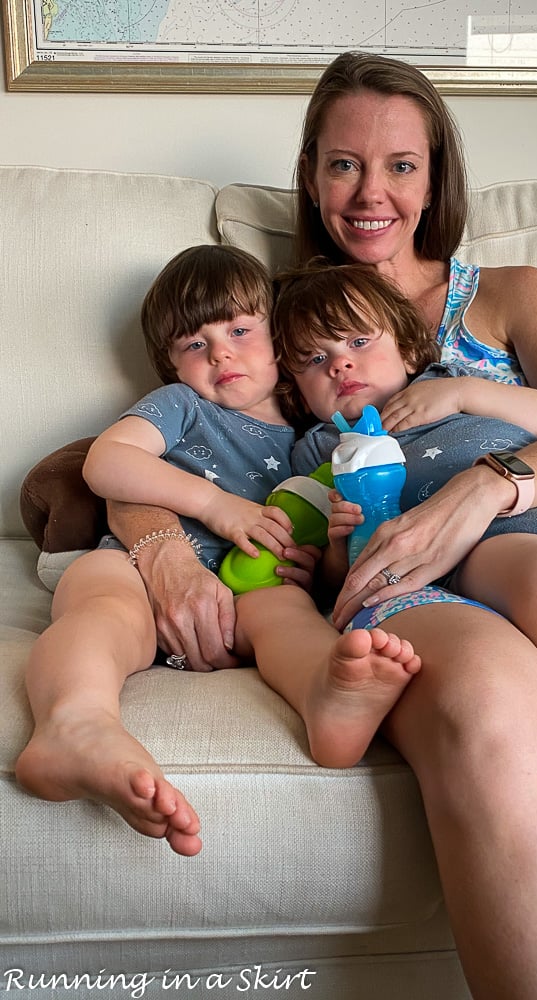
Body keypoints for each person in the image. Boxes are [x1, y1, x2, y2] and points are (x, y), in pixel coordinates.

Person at [103, 52, 537, 999]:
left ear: (436, 175)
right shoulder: (276, 318)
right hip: (410, 584)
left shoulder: (511, 290)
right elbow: (162, 447)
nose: (371, 193)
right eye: (342, 164)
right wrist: (160, 547)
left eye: (401, 164)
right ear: (311, 175)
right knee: (500, 714)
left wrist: (478, 490)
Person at [15, 244, 422, 858]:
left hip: (246, 596)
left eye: (238, 329)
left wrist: (315, 562)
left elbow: (318, 526)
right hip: (137, 565)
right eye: (193, 344)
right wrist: (215, 506)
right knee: (101, 602)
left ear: (279, 343)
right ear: (171, 365)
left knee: (285, 609)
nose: (220, 352)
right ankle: (73, 723)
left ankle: (325, 697)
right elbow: (107, 462)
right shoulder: (183, 407)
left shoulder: (315, 442)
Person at [270, 257, 537, 850]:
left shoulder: (450, 382)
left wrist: (462, 394)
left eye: (357, 340)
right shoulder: (319, 450)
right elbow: (342, 576)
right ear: (295, 390)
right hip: (494, 550)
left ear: (407, 349)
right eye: (314, 359)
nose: (341, 363)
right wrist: (334, 547)